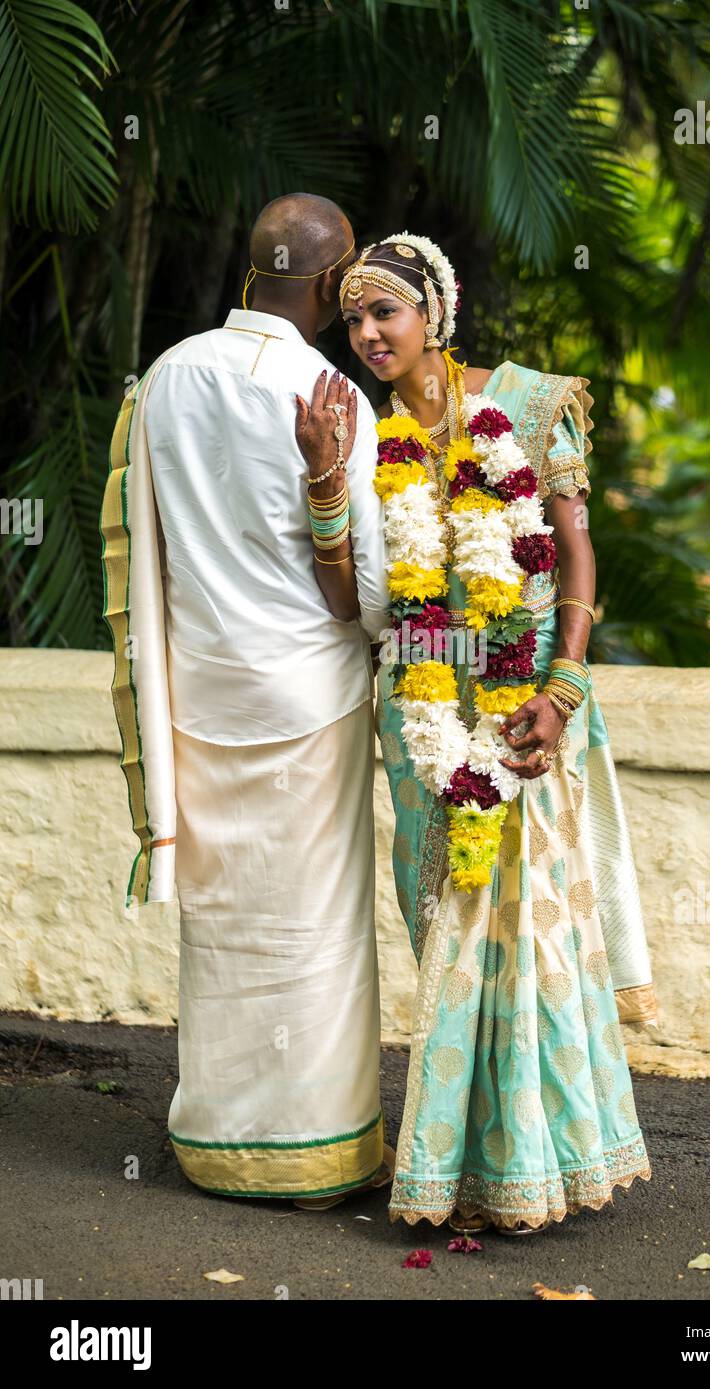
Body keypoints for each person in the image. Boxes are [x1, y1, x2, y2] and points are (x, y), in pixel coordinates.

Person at [335, 233, 658, 1235]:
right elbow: (363, 593)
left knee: (525, 932)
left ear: (436, 312)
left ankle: (530, 1155)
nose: (366, 333)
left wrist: (560, 688)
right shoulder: (358, 435)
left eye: (383, 311)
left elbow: (571, 553)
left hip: (523, 702)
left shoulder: (527, 404)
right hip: (418, 705)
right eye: (350, 318)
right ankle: (457, 1162)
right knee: (436, 919)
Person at [99, 193, 395, 1208]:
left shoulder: (164, 377)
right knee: (313, 927)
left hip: (201, 694)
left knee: (224, 929)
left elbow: (149, 549)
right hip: (308, 697)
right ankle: (316, 1151)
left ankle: (219, 1141)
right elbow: (363, 589)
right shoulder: (331, 392)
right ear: (327, 286)